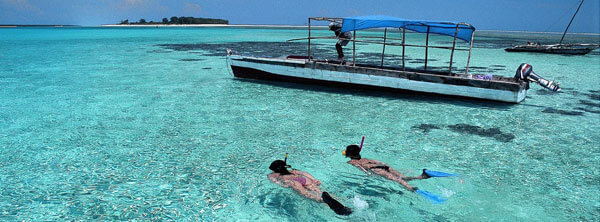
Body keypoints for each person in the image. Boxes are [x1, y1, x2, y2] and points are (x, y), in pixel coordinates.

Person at [268, 159, 352, 215]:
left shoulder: (271, 175)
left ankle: (322, 200)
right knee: (320, 192)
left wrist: (285, 185)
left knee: (308, 195)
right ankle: (344, 201)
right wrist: (314, 179)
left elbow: (276, 182)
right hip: (303, 179)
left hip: (293, 182)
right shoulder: (292, 171)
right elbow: (304, 173)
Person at [342, 144, 430, 192]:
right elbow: (376, 161)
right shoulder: (365, 159)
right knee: (402, 176)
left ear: (349, 154)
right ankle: (420, 177)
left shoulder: (351, 162)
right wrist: (386, 165)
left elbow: (360, 167)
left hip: (375, 169)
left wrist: (367, 173)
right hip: (383, 166)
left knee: (395, 179)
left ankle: (410, 188)